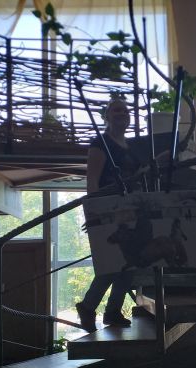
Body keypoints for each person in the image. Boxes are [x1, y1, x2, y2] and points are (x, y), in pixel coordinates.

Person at [76, 98, 141, 332]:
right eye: (116, 110)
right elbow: (92, 179)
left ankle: (112, 310)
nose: (122, 113)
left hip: (129, 209)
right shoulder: (100, 143)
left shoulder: (130, 146)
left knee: (130, 262)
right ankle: (89, 305)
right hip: (109, 208)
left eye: (125, 110)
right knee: (114, 263)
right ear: (107, 116)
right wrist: (95, 212)